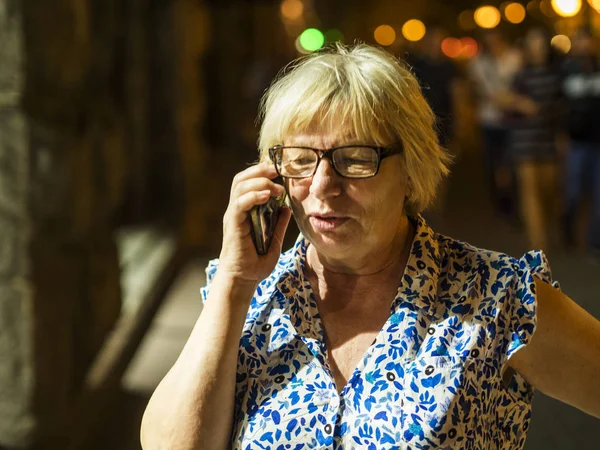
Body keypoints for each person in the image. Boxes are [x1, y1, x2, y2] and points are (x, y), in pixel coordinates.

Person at [140, 44, 600, 450]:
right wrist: (235, 284)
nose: (322, 186)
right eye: (300, 160)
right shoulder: (250, 299)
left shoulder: (493, 297)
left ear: (411, 169)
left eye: (355, 160)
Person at [508, 28, 563, 251]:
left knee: (549, 189)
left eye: (540, 44)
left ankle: (546, 227)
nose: (537, 50)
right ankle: (538, 243)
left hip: (547, 139)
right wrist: (519, 103)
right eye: (532, 45)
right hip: (524, 140)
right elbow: (508, 101)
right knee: (529, 191)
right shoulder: (520, 75)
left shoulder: (556, 75)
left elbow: (562, 106)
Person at [469, 29, 522, 220]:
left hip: (511, 119)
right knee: (492, 165)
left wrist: (510, 100)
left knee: (512, 164)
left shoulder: (514, 58)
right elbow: (474, 89)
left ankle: (513, 205)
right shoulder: (478, 63)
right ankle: (499, 204)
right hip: (489, 120)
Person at [561, 27, 600, 261]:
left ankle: (595, 241)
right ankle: (568, 233)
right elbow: (558, 105)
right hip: (576, 141)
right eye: (580, 42)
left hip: (598, 141)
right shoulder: (566, 70)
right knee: (573, 191)